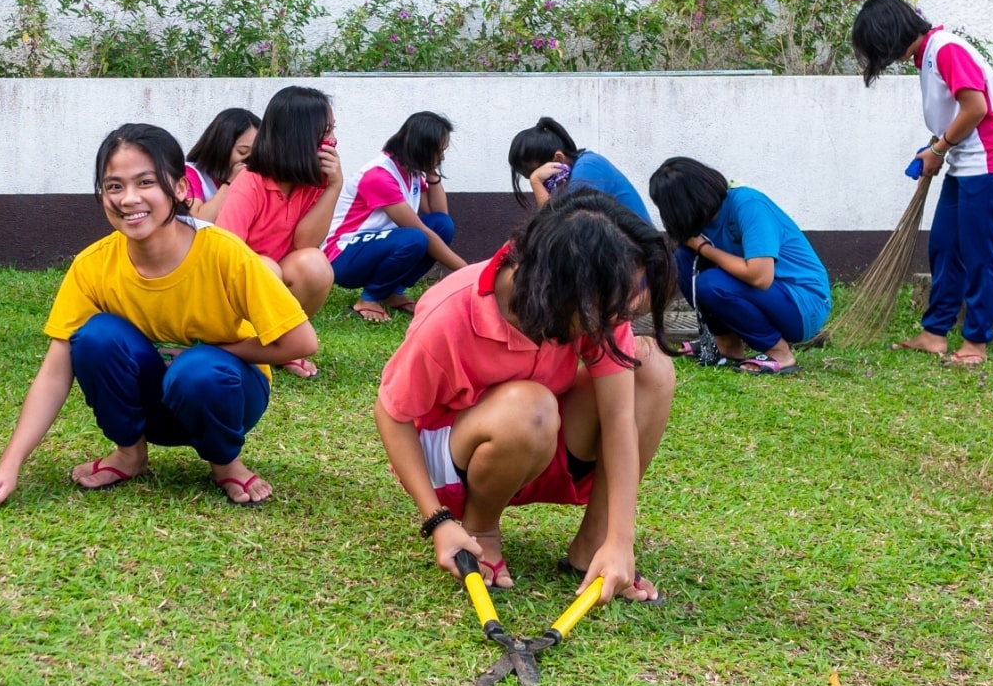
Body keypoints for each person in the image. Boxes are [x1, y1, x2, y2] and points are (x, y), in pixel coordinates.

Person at [0, 123, 317, 511]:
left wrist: (217, 349)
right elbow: (54, 372)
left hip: (227, 395)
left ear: (181, 189)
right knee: (97, 336)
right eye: (114, 186)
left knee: (200, 369)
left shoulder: (223, 252)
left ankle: (225, 463)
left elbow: (301, 342)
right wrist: (9, 465)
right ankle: (129, 454)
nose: (129, 198)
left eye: (146, 182)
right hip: (152, 403)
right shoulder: (93, 265)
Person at [376, 189, 676, 597]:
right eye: (615, 299)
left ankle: (593, 546)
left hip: (540, 436)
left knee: (651, 369)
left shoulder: (594, 304)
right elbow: (391, 414)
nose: (621, 312)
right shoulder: (451, 313)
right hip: (454, 462)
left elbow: (620, 417)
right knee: (531, 407)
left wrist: (620, 539)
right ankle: (481, 528)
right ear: (564, 289)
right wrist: (437, 521)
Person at [851, 0, 993, 367]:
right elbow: (956, 114)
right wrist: (934, 149)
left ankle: (976, 343)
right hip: (969, 161)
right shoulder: (929, 55)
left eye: (880, 47)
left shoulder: (946, 49)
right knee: (945, 246)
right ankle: (934, 333)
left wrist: (939, 150)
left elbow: (977, 108)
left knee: (979, 253)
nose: (883, 57)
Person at [650, 157, 830, 375]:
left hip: (803, 303)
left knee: (711, 282)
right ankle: (726, 345)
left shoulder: (748, 205)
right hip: (771, 298)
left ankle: (780, 355)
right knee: (684, 258)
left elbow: (760, 277)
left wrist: (705, 249)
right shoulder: (703, 220)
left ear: (683, 205)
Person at [212, 85, 342, 376]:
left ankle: (283, 345)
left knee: (315, 265)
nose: (332, 141)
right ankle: (251, 347)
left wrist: (334, 187)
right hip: (237, 290)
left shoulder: (314, 182)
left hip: (276, 284)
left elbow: (306, 243)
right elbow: (224, 253)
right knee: (266, 268)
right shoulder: (251, 181)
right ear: (299, 137)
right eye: (325, 133)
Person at [326, 110, 468, 322]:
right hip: (343, 256)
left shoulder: (410, 170)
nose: (442, 157)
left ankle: (392, 293)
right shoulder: (380, 176)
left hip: (377, 245)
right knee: (417, 238)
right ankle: (369, 298)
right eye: (439, 151)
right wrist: (469, 273)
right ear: (422, 149)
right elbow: (423, 234)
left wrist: (432, 174)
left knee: (442, 224)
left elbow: (438, 215)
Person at [506, 116, 651, 222]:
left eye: (541, 176)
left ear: (558, 159)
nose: (543, 187)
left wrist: (536, 182)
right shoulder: (569, 177)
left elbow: (562, 227)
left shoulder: (587, 168)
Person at [183, 107, 258, 225]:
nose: (249, 160)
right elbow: (198, 220)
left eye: (255, 154)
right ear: (221, 147)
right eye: (242, 152)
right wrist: (229, 183)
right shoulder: (190, 173)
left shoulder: (254, 178)